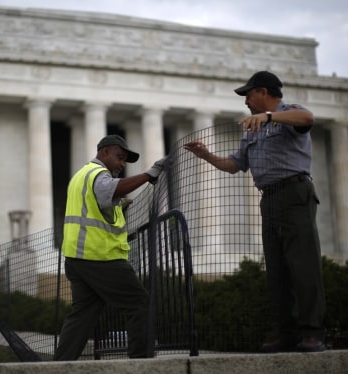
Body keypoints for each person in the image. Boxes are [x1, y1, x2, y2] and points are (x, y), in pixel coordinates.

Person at [184, 71, 326, 353]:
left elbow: (308, 119)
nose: (246, 101)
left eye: (248, 95)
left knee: (302, 265)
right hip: (269, 198)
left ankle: (312, 334)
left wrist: (269, 117)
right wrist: (207, 156)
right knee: (277, 270)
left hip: (294, 193)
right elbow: (236, 164)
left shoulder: (289, 113)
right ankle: (287, 334)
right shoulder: (251, 128)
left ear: (263, 92)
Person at [54, 134, 167, 360]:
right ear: (104, 152)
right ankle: (141, 364)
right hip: (100, 258)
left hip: (77, 258)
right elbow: (111, 189)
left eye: (124, 160)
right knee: (139, 304)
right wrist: (148, 174)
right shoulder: (98, 174)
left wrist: (120, 209)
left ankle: (59, 366)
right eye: (119, 157)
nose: (121, 164)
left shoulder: (81, 175)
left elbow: (100, 208)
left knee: (83, 315)